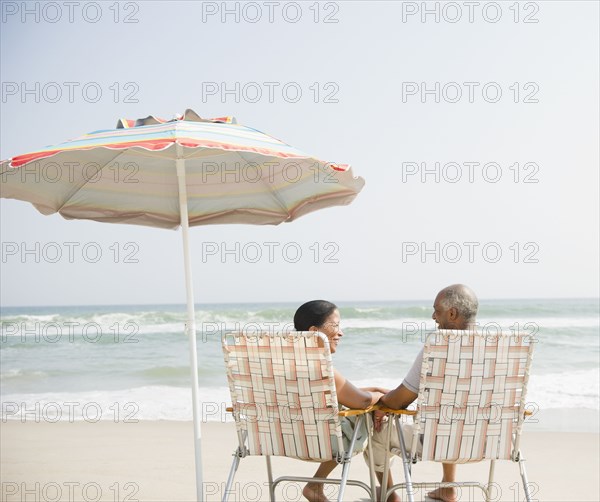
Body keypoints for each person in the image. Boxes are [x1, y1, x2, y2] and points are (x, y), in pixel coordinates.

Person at [370, 284, 479, 502]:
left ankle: (390, 496)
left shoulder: (438, 347)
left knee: (373, 434)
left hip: (437, 442)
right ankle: (448, 488)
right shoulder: (500, 349)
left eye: (437, 311)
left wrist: (381, 401)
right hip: (487, 440)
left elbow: (401, 399)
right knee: (453, 416)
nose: (433, 317)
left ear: (452, 313)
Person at [294, 300, 389, 502]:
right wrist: (381, 398)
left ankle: (316, 485)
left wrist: (373, 389)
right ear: (314, 331)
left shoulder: (284, 362)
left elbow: (333, 393)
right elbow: (362, 402)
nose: (340, 333)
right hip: (322, 443)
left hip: (284, 440)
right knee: (366, 414)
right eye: (335, 325)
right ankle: (389, 491)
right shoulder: (321, 366)